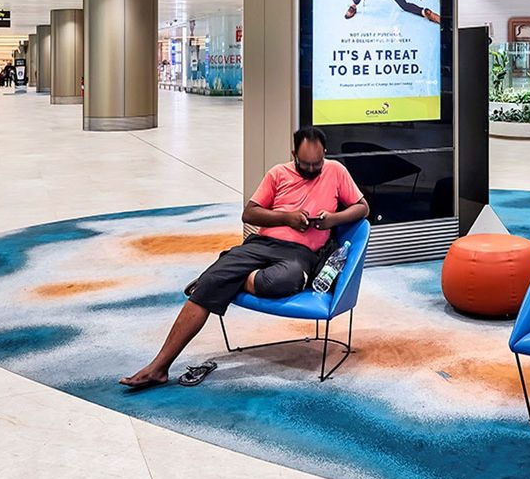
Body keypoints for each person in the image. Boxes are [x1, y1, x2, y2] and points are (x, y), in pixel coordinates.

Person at [121, 128, 367, 388]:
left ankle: (221, 277)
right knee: (208, 288)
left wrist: (332, 219)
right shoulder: (278, 174)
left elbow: (363, 207)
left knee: (278, 282)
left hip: (301, 254)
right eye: (304, 164)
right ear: (293, 154)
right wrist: (287, 217)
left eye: (316, 164)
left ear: (325, 154)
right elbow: (249, 214)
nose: (311, 169)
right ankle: (159, 367)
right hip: (260, 244)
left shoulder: (336, 171)